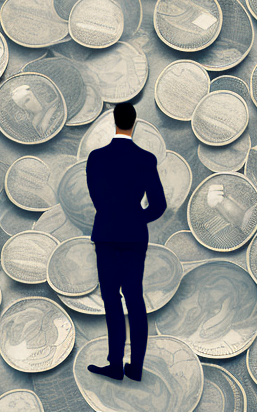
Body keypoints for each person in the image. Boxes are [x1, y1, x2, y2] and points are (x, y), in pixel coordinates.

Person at [84, 102, 167, 381]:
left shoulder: (96, 157)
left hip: (107, 234)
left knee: (111, 299)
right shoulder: (145, 159)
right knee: (134, 298)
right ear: (134, 123)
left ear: (114, 122)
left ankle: (115, 364)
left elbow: (97, 198)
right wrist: (136, 218)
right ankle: (137, 367)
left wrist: (114, 215)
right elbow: (158, 205)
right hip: (134, 236)